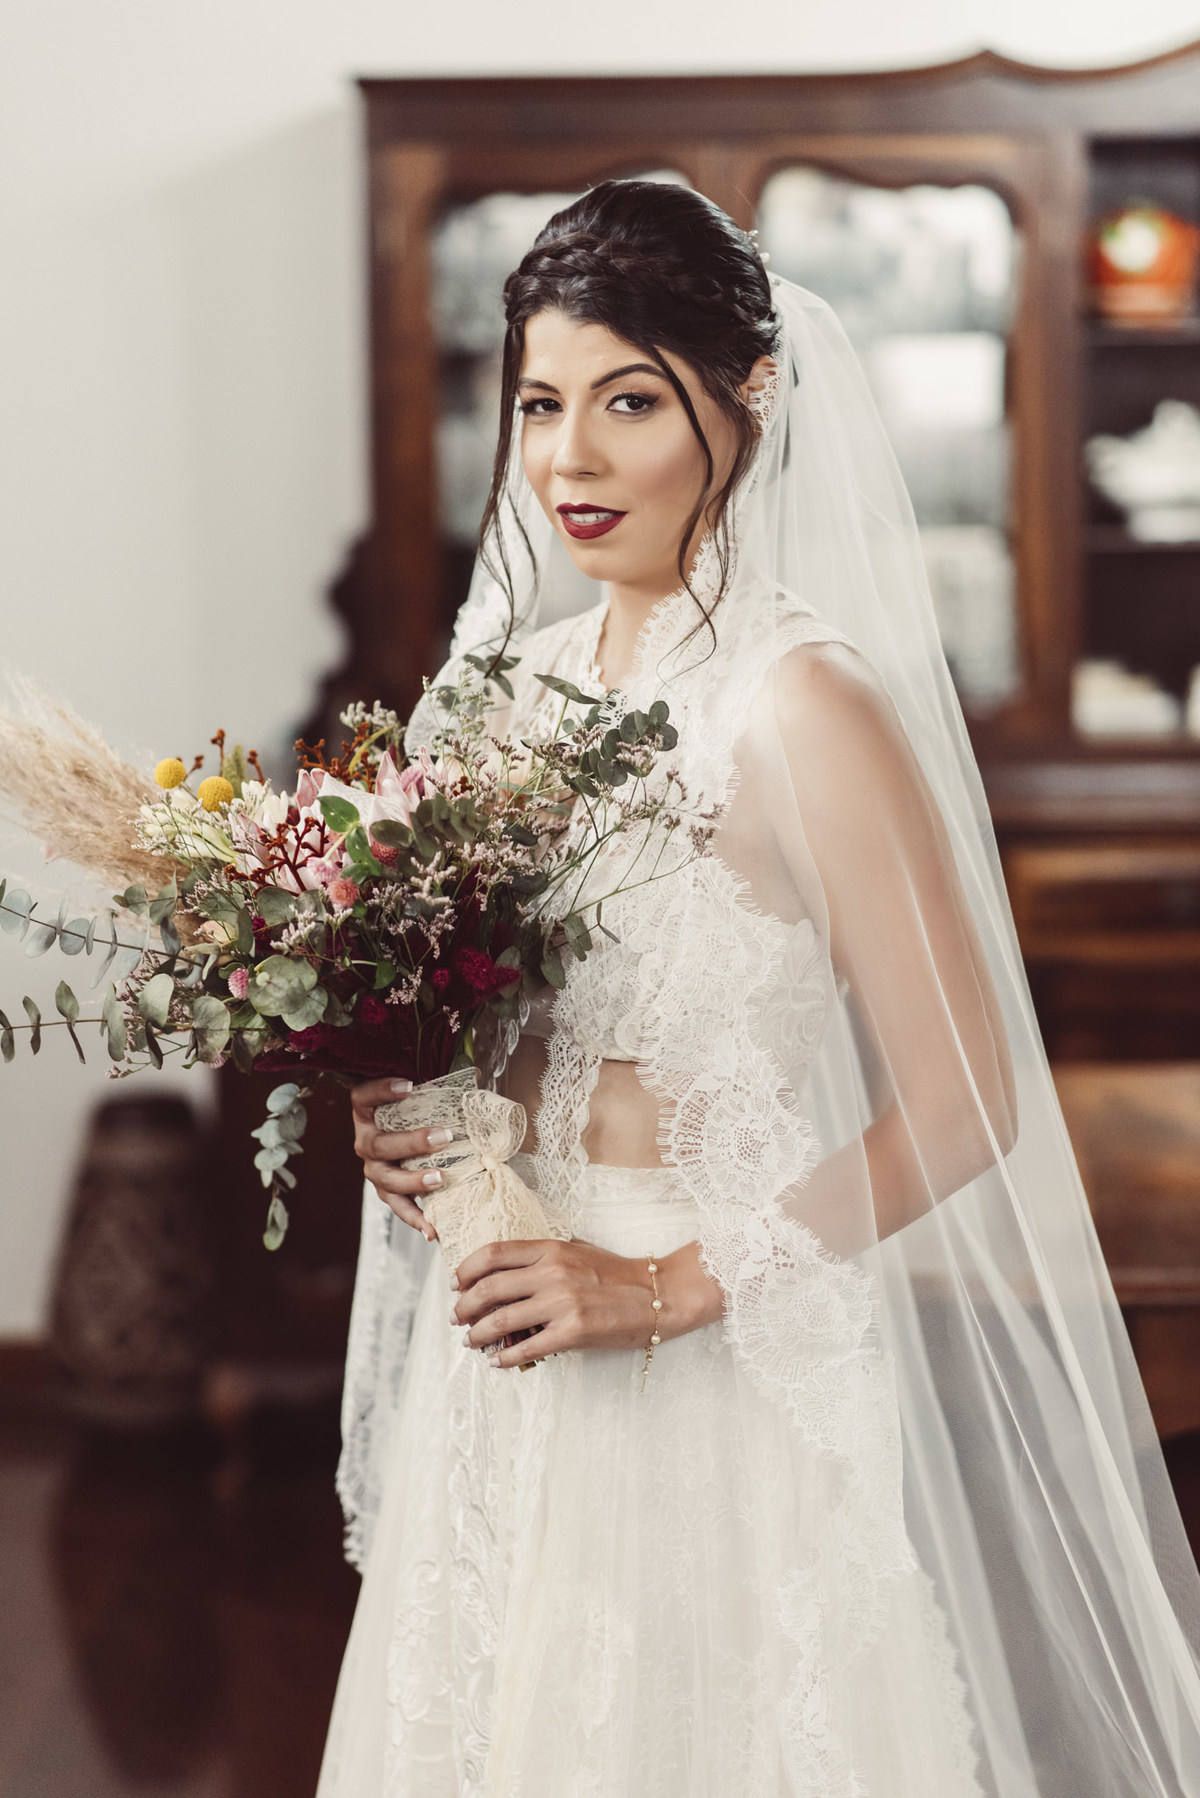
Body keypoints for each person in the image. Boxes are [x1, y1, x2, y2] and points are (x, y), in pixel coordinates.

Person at [317, 181, 1200, 1797]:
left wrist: (663, 1288)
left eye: (630, 401)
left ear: (751, 398)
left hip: (704, 1354)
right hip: (504, 1340)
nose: (570, 460)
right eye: (538, 404)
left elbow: (965, 1103)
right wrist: (420, 1110)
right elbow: (509, 1033)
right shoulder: (510, 692)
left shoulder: (800, 709)